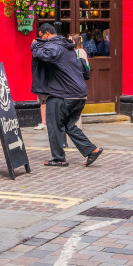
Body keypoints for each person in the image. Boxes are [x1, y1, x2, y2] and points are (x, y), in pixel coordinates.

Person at [31, 23, 101, 167]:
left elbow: (43, 54)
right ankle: (91, 150)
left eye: (41, 37)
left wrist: (35, 46)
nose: (41, 40)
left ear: (46, 34)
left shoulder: (54, 46)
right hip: (79, 94)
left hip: (63, 94)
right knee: (70, 125)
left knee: (54, 125)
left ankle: (58, 158)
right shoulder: (66, 46)